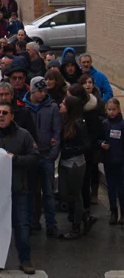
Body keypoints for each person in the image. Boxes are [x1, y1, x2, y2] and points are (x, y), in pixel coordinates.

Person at [0, 102, 39, 275]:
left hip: (18, 189)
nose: (1, 116)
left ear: (12, 116)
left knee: (21, 225)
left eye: (5, 113)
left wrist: (15, 159)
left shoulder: (24, 135)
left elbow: (34, 157)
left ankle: (25, 260)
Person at [22, 76, 61, 237]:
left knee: (48, 192)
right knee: (30, 192)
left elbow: (57, 131)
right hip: (31, 157)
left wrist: (52, 154)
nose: (43, 94)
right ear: (32, 91)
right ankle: (32, 221)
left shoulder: (52, 107)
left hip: (46, 156)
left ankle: (51, 224)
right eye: (40, 91)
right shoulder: (24, 107)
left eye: (45, 91)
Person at [57, 95, 93, 240]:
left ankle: (76, 227)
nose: (60, 105)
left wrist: (70, 150)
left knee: (75, 195)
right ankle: (85, 216)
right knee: (63, 194)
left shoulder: (78, 124)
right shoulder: (64, 120)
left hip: (75, 163)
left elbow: (87, 145)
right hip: (64, 162)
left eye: (63, 103)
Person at [79, 74, 106, 207]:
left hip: (95, 140)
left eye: (90, 82)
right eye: (85, 83)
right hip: (82, 140)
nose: (88, 85)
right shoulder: (78, 101)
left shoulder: (99, 102)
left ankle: (94, 192)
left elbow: (104, 119)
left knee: (94, 167)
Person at [101, 98, 124, 225]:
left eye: (114, 109)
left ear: (119, 110)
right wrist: (101, 144)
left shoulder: (122, 125)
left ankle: (123, 213)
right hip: (108, 160)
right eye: (109, 109)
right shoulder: (104, 123)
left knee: (121, 187)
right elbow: (99, 138)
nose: (111, 112)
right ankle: (113, 211)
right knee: (111, 187)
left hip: (120, 161)